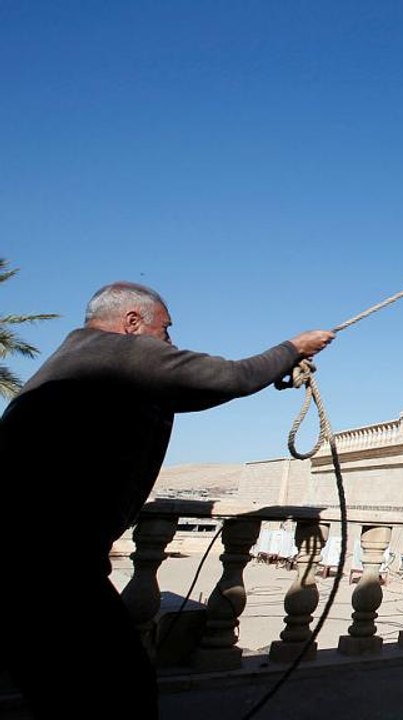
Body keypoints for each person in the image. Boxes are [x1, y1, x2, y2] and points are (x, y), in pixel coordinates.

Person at [0, 281, 335, 719]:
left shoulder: (84, 360)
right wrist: (293, 347)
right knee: (123, 690)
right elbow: (228, 376)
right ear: (133, 322)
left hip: (35, 559)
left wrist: (272, 370)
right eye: (166, 330)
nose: (170, 341)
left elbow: (193, 392)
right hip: (43, 563)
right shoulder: (116, 351)